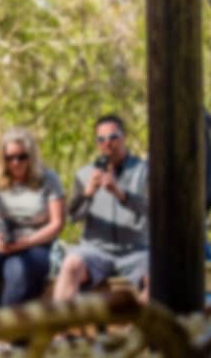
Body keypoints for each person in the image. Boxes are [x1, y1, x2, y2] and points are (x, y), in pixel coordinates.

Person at [53, 114, 149, 302]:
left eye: (113, 137)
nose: (108, 143)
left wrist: (121, 194)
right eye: (101, 139)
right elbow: (72, 217)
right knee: (70, 265)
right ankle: (60, 331)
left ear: (124, 137)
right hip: (95, 250)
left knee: (160, 279)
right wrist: (87, 194)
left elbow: (155, 211)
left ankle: (134, 331)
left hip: (136, 250)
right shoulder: (84, 174)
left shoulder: (145, 170)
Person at [0, 128, 65, 308]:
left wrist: (27, 241)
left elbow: (56, 223)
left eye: (21, 157)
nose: (15, 162)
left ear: (31, 156)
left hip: (35, 243)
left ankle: (7, 330)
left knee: (16, 270)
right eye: (9, 158)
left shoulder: (49, 179)